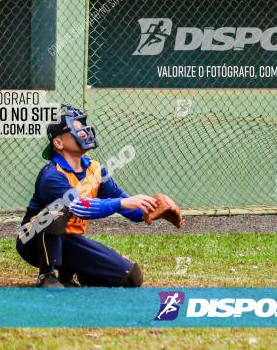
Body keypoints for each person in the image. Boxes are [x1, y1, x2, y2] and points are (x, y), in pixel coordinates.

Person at [16, 104, 183, 288]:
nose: (83, 133)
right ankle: (47, 275)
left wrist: (152, 209)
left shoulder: (95, 170)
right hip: (32, 242)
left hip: (70, 242)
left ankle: (70, 274)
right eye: (76, 129)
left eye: (83, 128)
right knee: (57, 211)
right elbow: (79, 207)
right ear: (58, 143)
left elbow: (129, 209)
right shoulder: (52, 176)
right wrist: (121, 203)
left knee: (131, 277)